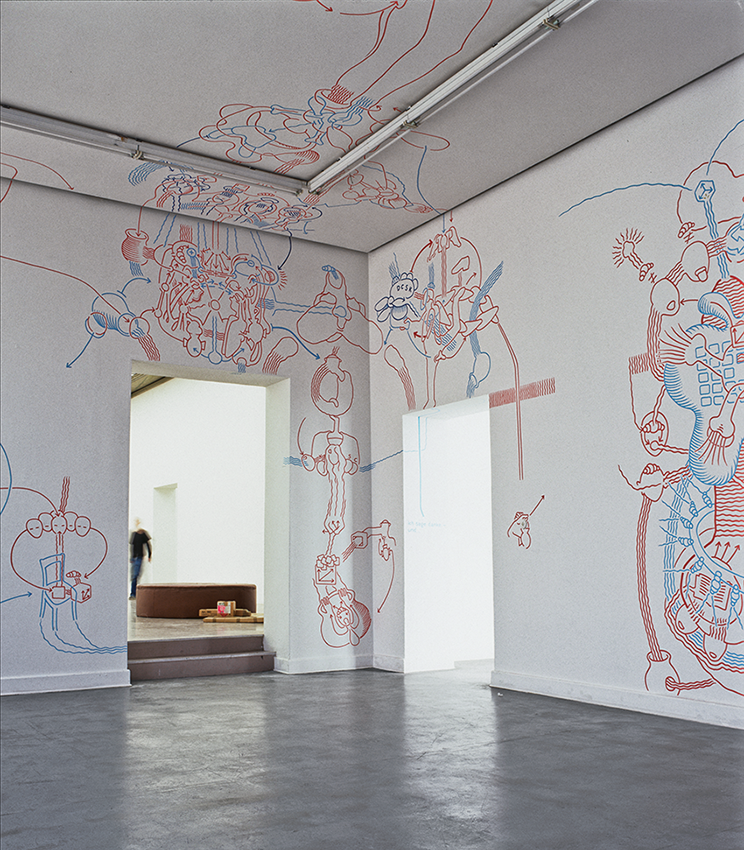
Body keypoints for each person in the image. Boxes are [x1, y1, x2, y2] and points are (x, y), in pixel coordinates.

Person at [129, 519, 152, 599]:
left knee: (136, 575)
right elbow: (132, 546)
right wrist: (131, 557)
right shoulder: (134, 534)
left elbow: (148, 545)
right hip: (135, 557)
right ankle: (133, 593)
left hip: (139, 557)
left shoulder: (143, 533)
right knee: (134, 576)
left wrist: (149, 555)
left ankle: (134, 593)